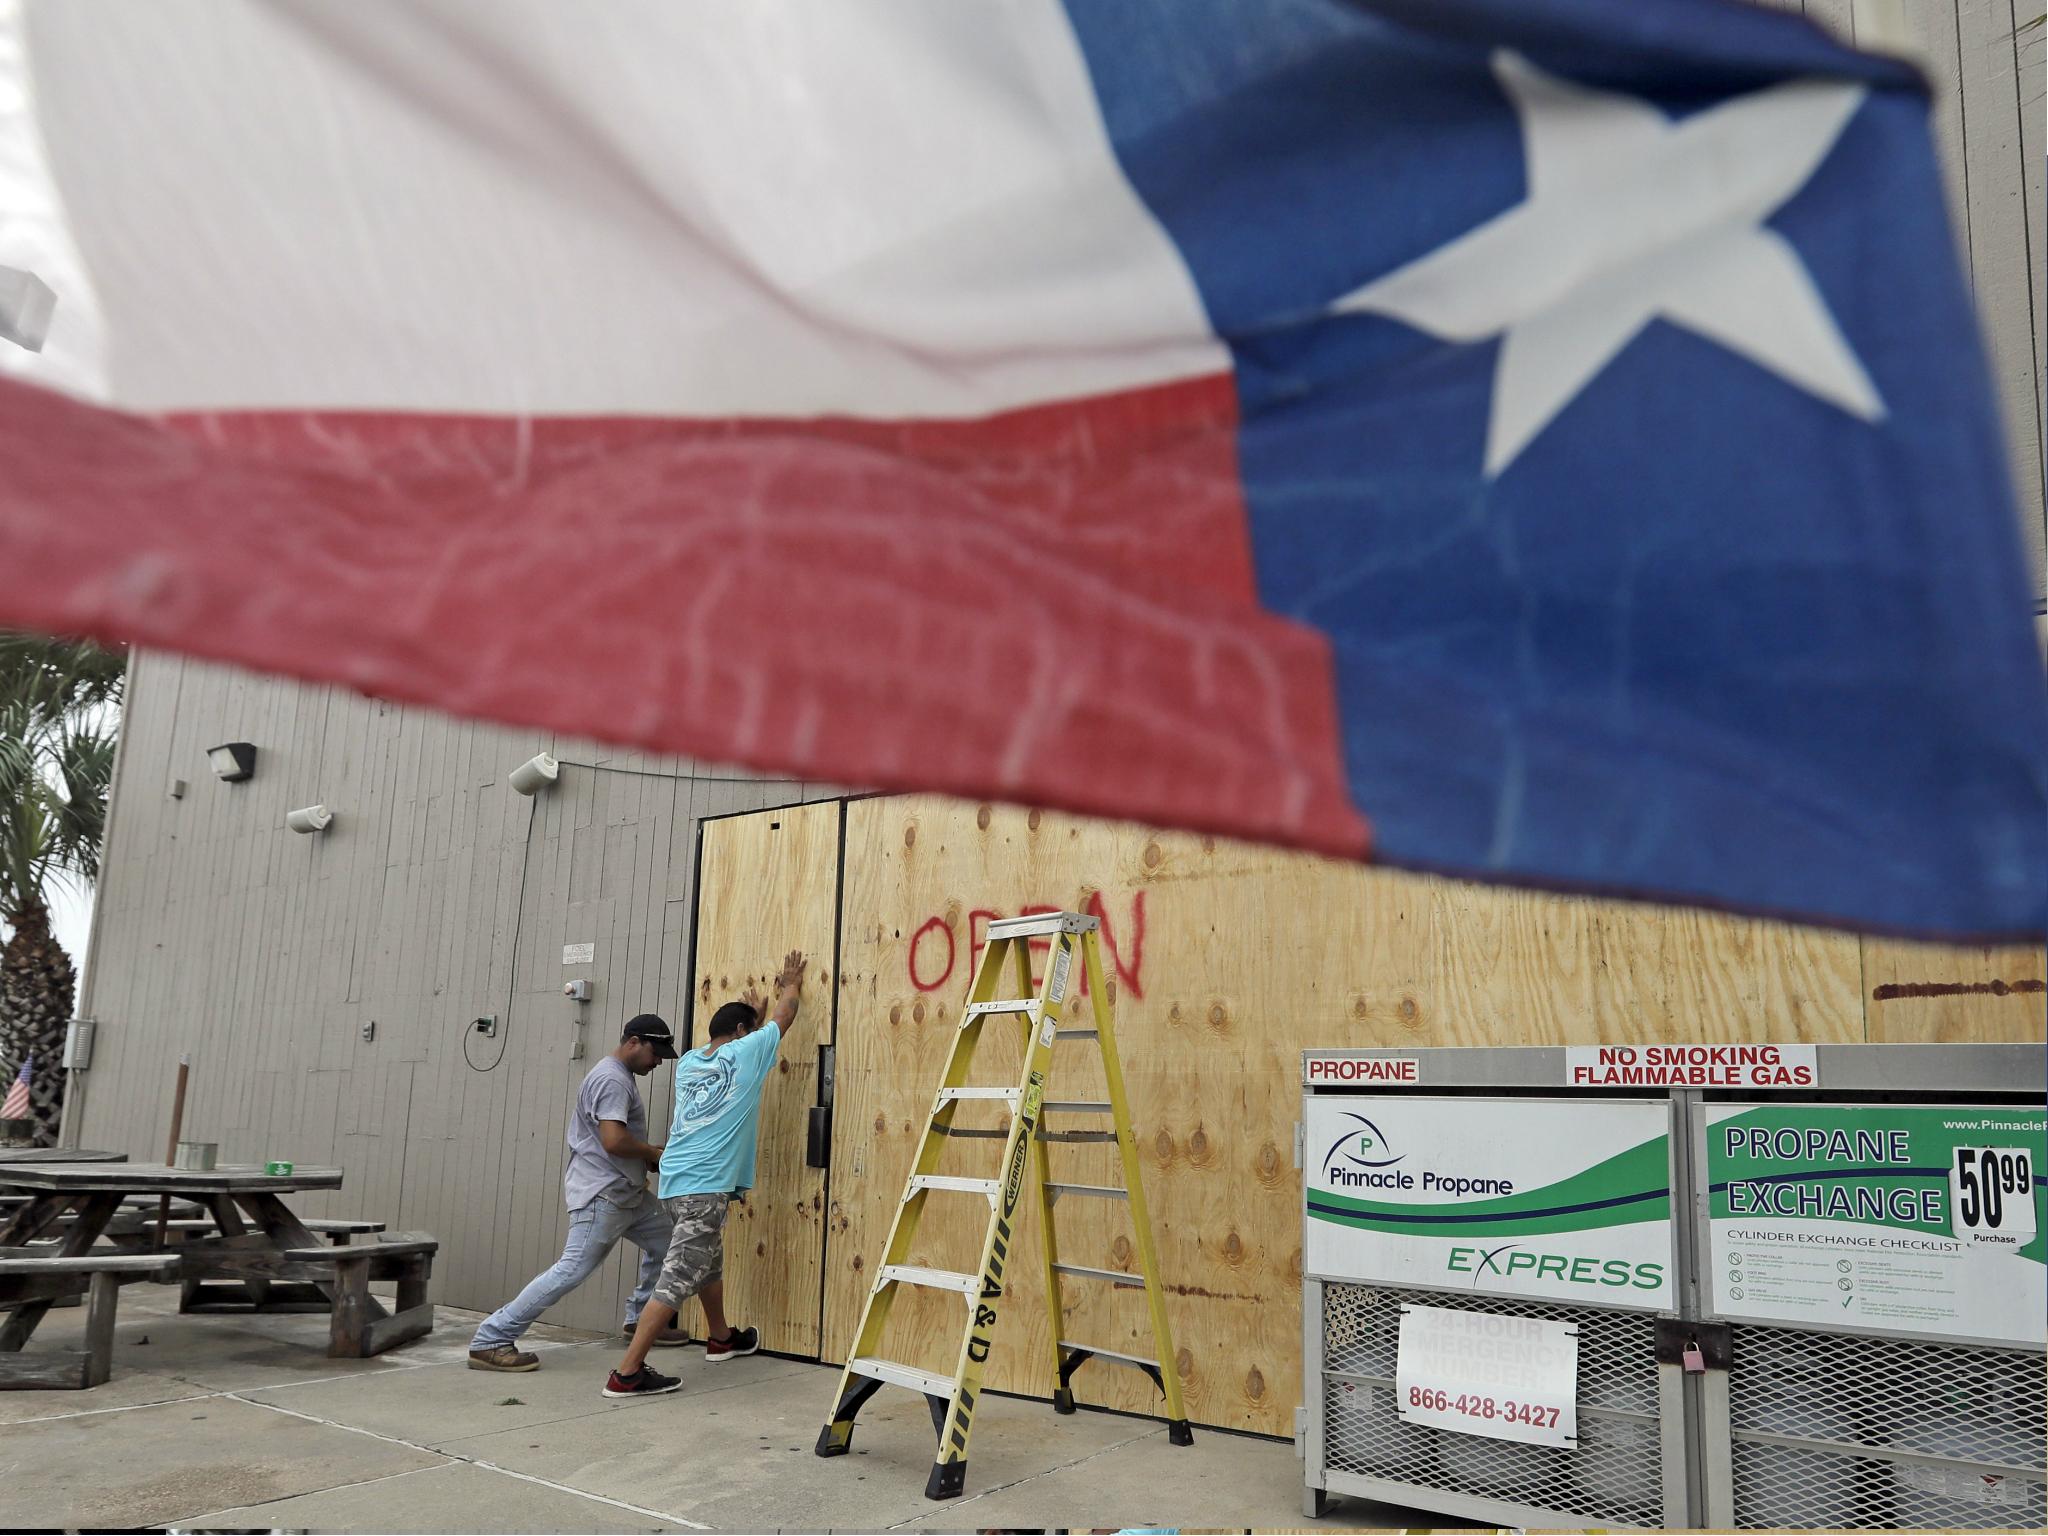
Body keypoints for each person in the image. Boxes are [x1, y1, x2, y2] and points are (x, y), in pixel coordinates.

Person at [601, 948, 807, 1397]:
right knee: (677, 1276)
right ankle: (628, 1373)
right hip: (705, 1186)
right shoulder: (751, 1051)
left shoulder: (691, 1063)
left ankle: (721, 1337)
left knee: (706, 1260)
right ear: (742, 1033)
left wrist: (749, 1015)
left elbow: (738, 1039)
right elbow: (786, 1015)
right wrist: (789, 983)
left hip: (675, 1182)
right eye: (749, 1030)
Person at [467, 1014, 690, 1371]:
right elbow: (614, 1140)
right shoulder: (612, 1079)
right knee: (571, 1270)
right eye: (656, 1052)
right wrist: (650, 1153)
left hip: (626, 1193)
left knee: (670, 1242)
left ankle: (641, 1322)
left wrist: (643, 1160)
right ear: (633, 1041)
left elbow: (614, 1140)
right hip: (604, 1195)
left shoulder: (618, 1076)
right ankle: (491, 1338)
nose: (660, 1061)